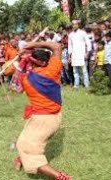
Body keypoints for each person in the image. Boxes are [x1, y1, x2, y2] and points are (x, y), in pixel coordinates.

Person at [14, 41, 71, 179]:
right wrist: (35, 44)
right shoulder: (53, 69)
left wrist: (22, 58)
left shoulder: (26, 79)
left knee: (24, 145)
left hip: (42, 121)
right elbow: (57, 47)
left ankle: (60, 177)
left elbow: (17, 88)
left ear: (33, 63)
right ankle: (21, 159)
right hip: (54, 118)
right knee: (27, 138)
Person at [68, 20, 91, 89]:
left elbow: (88, 43)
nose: (74, 25)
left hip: (82, 54)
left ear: (78, 25)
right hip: (74, 55)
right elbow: (70, 46)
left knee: (84, 71)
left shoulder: (83, 33)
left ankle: (86, 85)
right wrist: (69, 56)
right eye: (73, 24)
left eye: (76, 24)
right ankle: (76, 85)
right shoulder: (70, 35)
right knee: (75, 71)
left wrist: (87, 53)